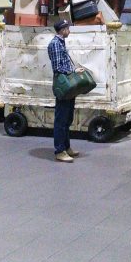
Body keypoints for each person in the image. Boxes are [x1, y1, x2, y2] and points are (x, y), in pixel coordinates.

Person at [47, 20, 79, 163]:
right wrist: (74, 71)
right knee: (61, 119)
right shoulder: (55, 44)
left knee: (67, 118)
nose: (69, 30)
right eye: (67, 28)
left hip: (67, 85)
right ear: (62, 29)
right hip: (63, 85)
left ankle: (66, 147)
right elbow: (58, 67)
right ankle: (60, 150)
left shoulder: (60, 42)